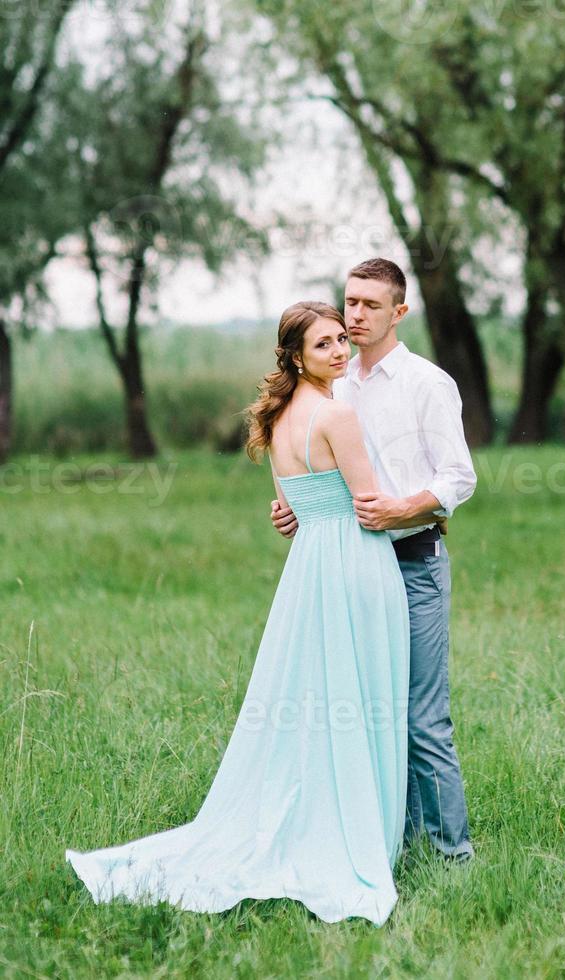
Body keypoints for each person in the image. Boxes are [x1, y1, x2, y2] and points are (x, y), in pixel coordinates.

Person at [66, 301, 411, 926]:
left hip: (309, 566)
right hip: (356, 563)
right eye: (324, 345)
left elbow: (293, 508)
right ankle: (359, 836)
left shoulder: (278, 419)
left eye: (341, 340)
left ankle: (325, 814)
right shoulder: (337, 413)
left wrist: (296, 516)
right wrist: (430, 511)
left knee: (319, 695)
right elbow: (369, 507)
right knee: (361, 695)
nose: (338, 352)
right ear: (296, 357)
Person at [272, 258, 477, 862]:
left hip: (412, 563)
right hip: (351, 571)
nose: (355, 315)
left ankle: (451, 855)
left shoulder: (426, 384)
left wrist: (400, 509)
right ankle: (392, 845)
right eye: (350, 302)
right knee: (365, 714)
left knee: (421, 718)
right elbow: (319, 466)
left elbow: (458, 478)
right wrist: (296, 510)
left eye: (369, 305)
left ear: (399, 312)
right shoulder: (336, 383)